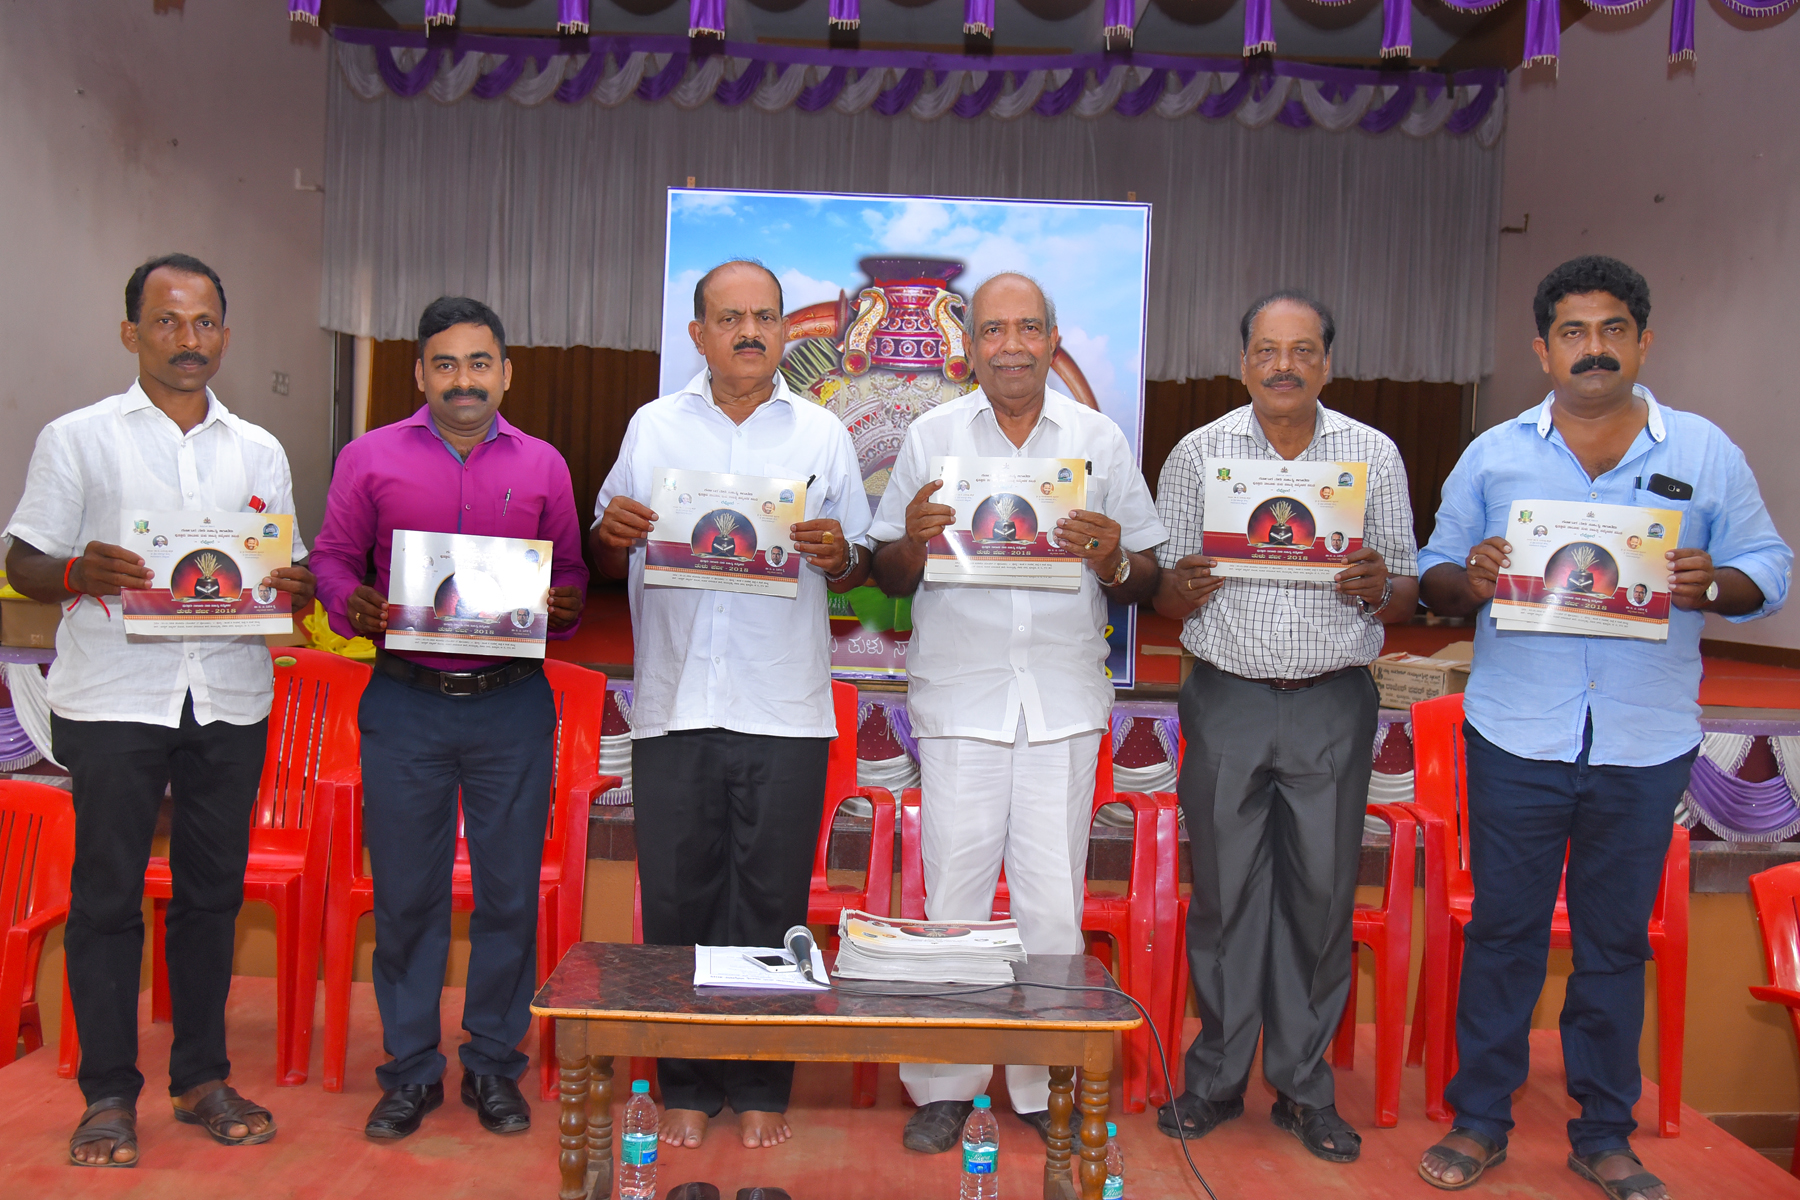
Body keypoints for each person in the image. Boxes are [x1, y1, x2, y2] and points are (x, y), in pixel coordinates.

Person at [1413, 256, 1790, 1200]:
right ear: (1543, 349)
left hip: (1644, 739)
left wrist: (1720, 584)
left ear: (1642, 341)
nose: (1593, 349)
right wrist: (1474, 577)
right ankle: (1480, 1120)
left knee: (1618, 943)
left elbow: (1769, 568)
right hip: (1516, 736)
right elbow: (1432, 573)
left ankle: (1605, 1133)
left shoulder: (1704, 452)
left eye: (1612, 329)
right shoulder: (1494, 453)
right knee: (1505, 934)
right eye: (1573, 333)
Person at [4, 254, 315, 1166]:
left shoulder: (260, 448)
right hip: (113, 700)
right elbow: (24, 560)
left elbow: (278, 570)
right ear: (131, 330)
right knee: (105, 899)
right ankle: (107, 1093)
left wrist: (289, 583)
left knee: (212, 897)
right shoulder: (78, 438)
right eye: (169, 322)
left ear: (226, 332)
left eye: (206, 322)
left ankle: (200, 1077)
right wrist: (72, 572)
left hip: (228, 697)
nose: (190, 340)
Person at [868, 273, 1166, 1153]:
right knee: (953, 894)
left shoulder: (1099, 440)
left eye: (1027, 329)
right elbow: (885, 570)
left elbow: (1145, 573)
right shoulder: (930, 436)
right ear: (969, 343)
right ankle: (947, 1083)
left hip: (1064, 697)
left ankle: (1043, 1078)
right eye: (993, 330)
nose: (1010, 346)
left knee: (1052, 902)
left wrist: (1111, 556)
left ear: (1052, 338)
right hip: (961, 693)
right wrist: (915, 542)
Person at [591, 261, 870, 1151]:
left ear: (786, 330)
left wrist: (837, 552)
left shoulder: (822, 434)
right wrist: (615, 536)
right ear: (698, 334)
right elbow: (603, 553)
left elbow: (858, 559)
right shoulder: (652, 425)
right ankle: (686, 1081)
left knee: (770, 902)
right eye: (730, 317)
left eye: (765, 317)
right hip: (674, 700)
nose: (749, 331)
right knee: (678, 898)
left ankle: (760, 1084)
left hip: (784, 706)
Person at [311, 296, 589, 1141]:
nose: (462, 381)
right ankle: (408, 1072)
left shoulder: (545, 465)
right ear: (420, 372)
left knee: (508, 898)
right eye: (444, 364)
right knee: (407, 898)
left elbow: (572, 579)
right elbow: (329, 556)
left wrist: (565, 604)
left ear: (505, 372)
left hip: (509, 709)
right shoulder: (368, 458)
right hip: (405, 705)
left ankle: (495, 1069)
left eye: (478, 364)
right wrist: (344, 599)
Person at [1151, 290, 1418, 1164]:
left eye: (1303, 350)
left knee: (1320, 897)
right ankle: (1216, 1079)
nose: (1284, 366)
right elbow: (1160, 587)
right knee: (1224, 896)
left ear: (1327, 364)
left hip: (1332, 699)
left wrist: (1378, 583)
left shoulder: (1372, 453)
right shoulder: (1199, 453)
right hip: (1226, 694)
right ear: (1244, 362)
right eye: (1267, 349)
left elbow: (1408, 586)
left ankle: (1304, 1088)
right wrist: (1181, 583)